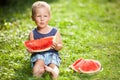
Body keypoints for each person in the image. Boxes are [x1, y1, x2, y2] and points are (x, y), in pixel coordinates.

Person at [28, 1, 63, 80]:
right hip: (38, 55)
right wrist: (30, 50)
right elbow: (32, 48)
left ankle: (53, 73)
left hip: (52, 54)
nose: (42, 19)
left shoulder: (55, 31)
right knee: (38, 63)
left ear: (49, 17)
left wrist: (57, 46)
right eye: (38, 16)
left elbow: (60, 45)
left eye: (45, 16)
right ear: (33, 18)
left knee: (53, 65)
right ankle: (38, 73)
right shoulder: (32, 33)